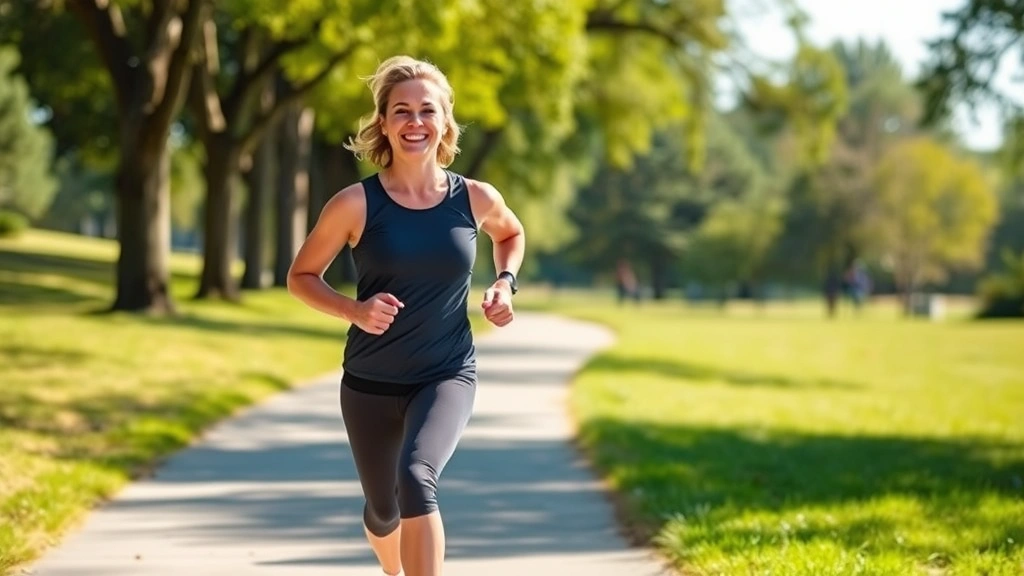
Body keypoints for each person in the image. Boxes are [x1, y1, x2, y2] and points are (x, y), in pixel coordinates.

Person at [286, 55, 526, 576]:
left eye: (426, 110)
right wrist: (354, 309)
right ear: (384, 123)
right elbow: (300, 276)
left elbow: (510, 234)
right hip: (370, 381)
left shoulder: (475, 198)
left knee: (417, 477)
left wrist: (504, 283)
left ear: (444, 122)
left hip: (445, 373)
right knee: (383, 509)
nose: (415, 122)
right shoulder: (355, 204)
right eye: (401, 111)